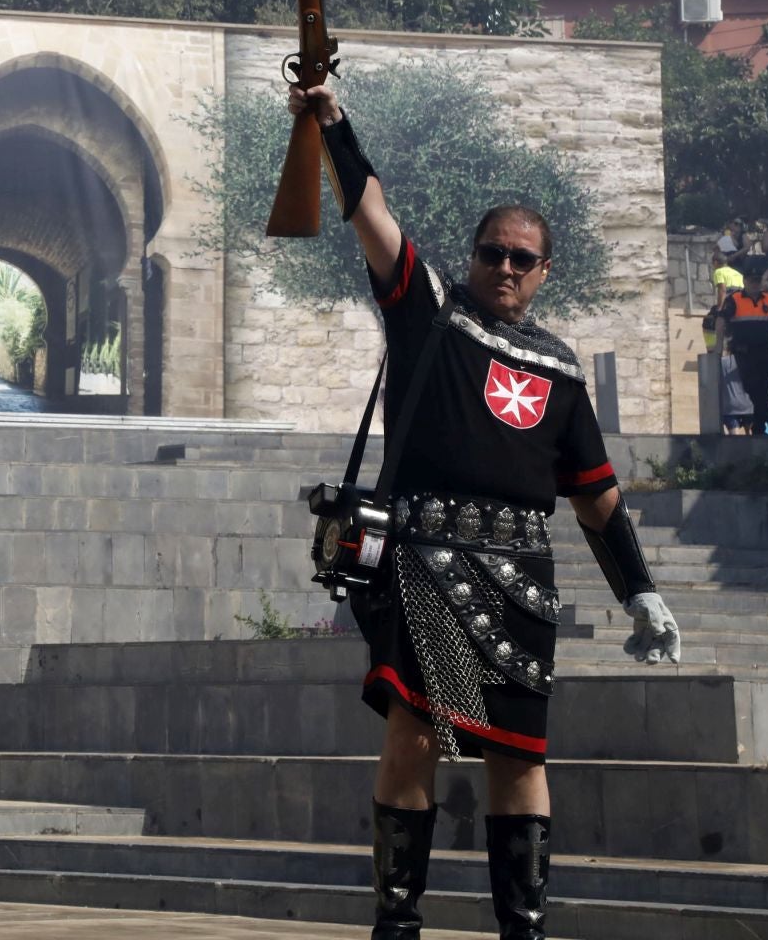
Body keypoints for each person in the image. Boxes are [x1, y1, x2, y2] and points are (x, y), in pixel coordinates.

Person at [287, 79, 681, 940]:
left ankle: (523, 930)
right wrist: (334, 122)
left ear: (545, 271)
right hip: (427, 558)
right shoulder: (429, 313)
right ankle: (398, 925)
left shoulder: (562, 370)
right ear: (472, 256)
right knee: (419, 737)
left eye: (521, 258)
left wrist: (639, 591)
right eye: (492, 252)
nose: (504, 267)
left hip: (522, 582)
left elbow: (598, 498)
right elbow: (372, 212)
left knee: (519, 758)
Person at [717, 266, 768, 435]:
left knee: (763, 393)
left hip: (765, 353)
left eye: (757, 280)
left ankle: (759, 428)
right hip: (745, 354)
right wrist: (718, 347)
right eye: (751, 280)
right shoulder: (734, 299)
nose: (755, 284)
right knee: (753, 390)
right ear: (744, 281)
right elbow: (721, 320)